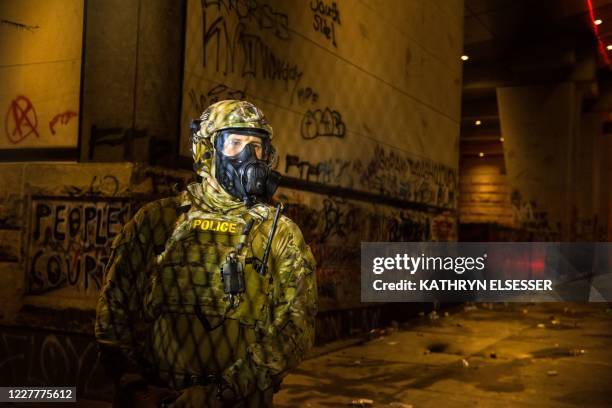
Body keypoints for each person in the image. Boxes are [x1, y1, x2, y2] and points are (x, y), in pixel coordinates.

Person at [95, 100, 318, 407]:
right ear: (206, 151)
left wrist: (222, 392)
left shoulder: (278, 233)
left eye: (256, 146)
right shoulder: (157, 221)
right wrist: (135, 385)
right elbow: (114, 306)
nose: (248, 156)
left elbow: (296, 328)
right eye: (235, 143)